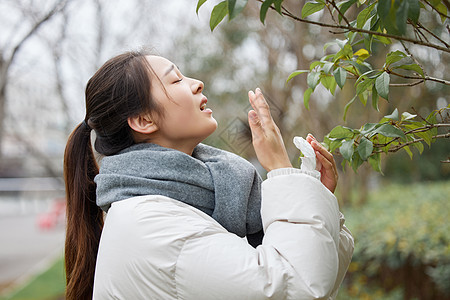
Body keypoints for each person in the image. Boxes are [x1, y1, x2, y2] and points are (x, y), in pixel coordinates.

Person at [63, 50, 354, 300]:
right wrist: (279, 167)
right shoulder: (152, 224)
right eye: (175, 80)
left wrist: (317, 199)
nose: (196, 83)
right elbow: (297, 288)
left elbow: (317, 281)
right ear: (143, 120)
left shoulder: (183, 202)